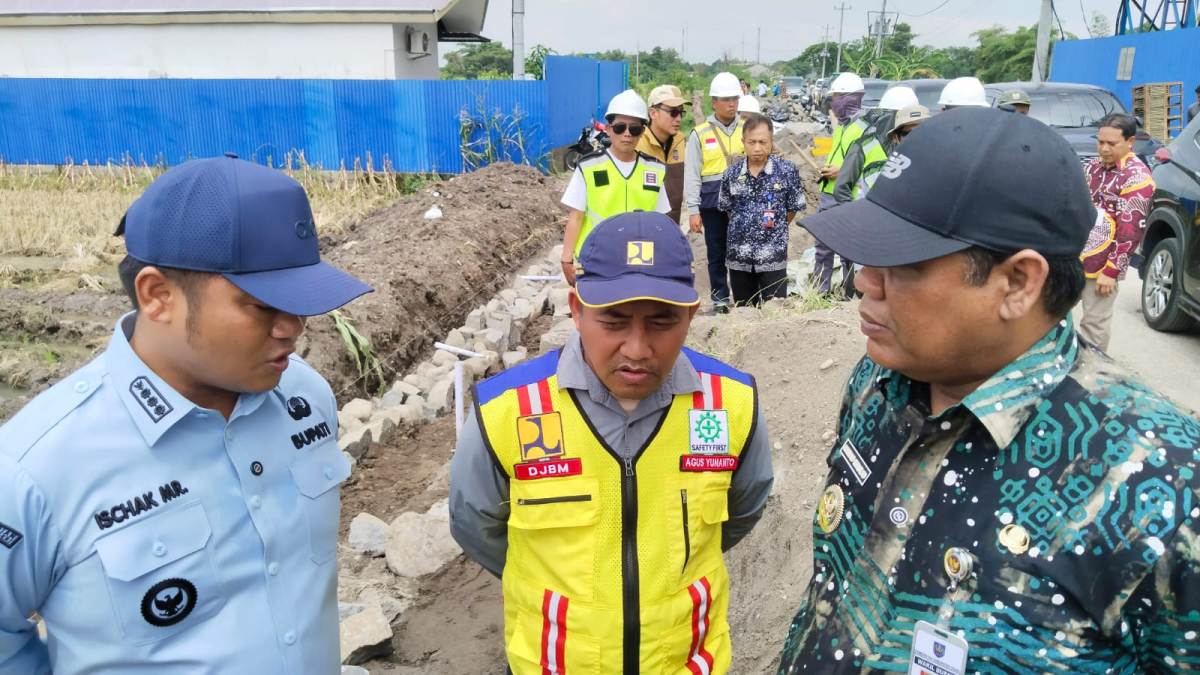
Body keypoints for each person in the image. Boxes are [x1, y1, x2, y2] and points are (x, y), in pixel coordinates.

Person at [777, 107, 1200, 673]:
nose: (863, 279)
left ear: (1018, 283)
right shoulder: (879, 382)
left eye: (901, 262)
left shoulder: (1163, 487)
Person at [0, 155, 372, 673]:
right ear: (157, 296)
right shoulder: (35, 469)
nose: (293, 327)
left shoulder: (304, 397)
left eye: (300, 302)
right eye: (263, 305)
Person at [449, 211, 774, 675]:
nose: (638, 349)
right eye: (615, 322)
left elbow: (743, 509)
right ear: (577, 310)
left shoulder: (732, 406)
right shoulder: (508, 410)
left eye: (662, 322)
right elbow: (474, 523)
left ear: (691, 314)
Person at [561, 89, 670, 285]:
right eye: (620, 127)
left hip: (641, 262)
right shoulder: (588, 167)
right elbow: (575, 217)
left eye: (634, 129)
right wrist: (566, 259)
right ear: (609, 129)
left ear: (643, 132)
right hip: (597, 259)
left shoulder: (654, 170)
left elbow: (662, 222)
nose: (627, 134)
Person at [1078, 112, 1154, 352]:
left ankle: (1091, 375)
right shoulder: (1091, 167)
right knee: (1051, 315)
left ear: (1130, 142)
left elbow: (1130, 231)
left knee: (1093, 325)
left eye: (1112, 144)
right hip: (1074, 256)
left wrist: (1112, 271)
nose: (1104, 149)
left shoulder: (1137, 177)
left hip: (1102, 265)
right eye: (1101, 142)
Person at [718, 113, 804, 306]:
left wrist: (772, 227)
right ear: (743, 142)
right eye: (752, 142)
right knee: (745, 312)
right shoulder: (731, 174)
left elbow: (792, 209)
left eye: (763, 142)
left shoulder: (787, 171)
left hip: (773, 255)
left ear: (772, 141)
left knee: (775, 313)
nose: (757, 148)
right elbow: (728, 209)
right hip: (739, 257)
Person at [684, 71, 746, 314]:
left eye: (735, 99)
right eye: (726, 99)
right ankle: (720, 298)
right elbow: (692, 174)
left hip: (743, 202)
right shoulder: (700, 133)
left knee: (742, 249)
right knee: (717, 251)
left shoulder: (747, 129)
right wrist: (692, 210)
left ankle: (743, 298)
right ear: (714, 102)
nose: (732, 104)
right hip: (712, 203)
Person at [813, 71, 869, 295]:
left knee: (849, 249)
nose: (833, 102)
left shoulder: (864, 129)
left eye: (837, 97)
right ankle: (821, 293)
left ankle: (851, 293)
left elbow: (870, 164)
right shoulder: (842, 128)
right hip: (829, 194)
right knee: (823, 247)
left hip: (849, 196)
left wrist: (841, 172)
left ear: (850, 99)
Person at [834, 103, 929, 205]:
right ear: (895, 138)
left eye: (921, 130)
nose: (915, 137)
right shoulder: (876, 171)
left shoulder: (938, 164)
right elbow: (842, 189)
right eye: (908, 133)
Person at [637, 84, 689, 224]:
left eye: (681, 113)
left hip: (672, 225)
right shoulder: (637, 144)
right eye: (673, 112)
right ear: (653, 113)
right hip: (643, 225)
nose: (678, 118)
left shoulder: (681, 142)